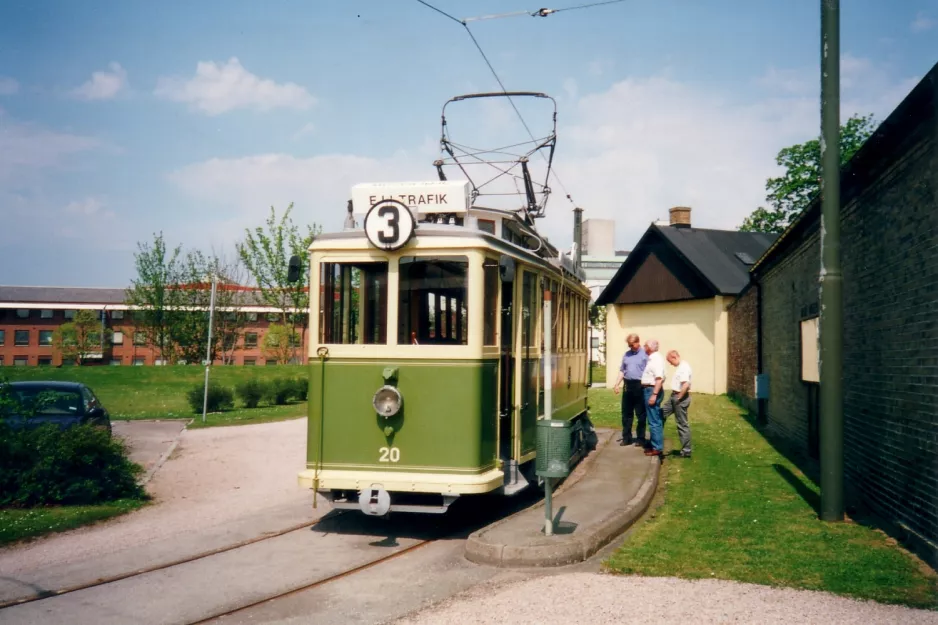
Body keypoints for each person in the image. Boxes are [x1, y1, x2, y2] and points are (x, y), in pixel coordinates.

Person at [612, 333, 648, 446]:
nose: (630, 347)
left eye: (632, 345)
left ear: (638, 342)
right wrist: (617, 384)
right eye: (629, 345)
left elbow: (649, 371)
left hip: (640, 385)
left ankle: (641, 438)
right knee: (626, 414)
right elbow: (622, 370)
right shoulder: (626, 355)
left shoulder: (645, 355)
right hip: (628, 385)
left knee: (641, 414)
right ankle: (626, 437)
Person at [662, 350, 692, 458]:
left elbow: (686, 384)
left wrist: (679, 398)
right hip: (674, 396)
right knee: (661, 414)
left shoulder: (684, 368)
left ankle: (686, 450)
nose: (670, 363)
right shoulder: (680, 367)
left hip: (680, 397)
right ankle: (657, 442)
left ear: (674, 357)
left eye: (670, 361)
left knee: (682, 424)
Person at [641, 339, 666, 457]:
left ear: (650, 347)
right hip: (650, 389)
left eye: (645, 345)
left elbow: (659, 378)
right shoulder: (653, 358)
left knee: (653, 420)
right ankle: (655, 444)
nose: (643, 347)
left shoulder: (655, 359)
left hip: (651, 390)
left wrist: (654, 394)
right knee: (655, 418)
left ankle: (657, 447)